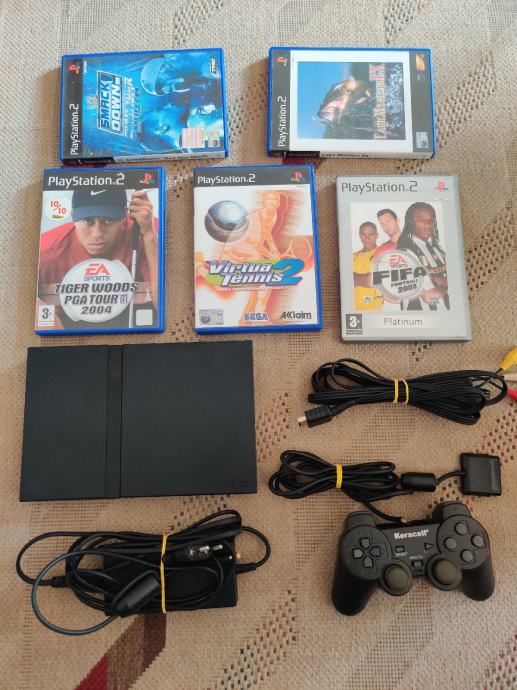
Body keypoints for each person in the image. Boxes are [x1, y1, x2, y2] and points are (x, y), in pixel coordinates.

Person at [38, 188, 159, 328]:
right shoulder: (45, 251)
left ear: (124, 217)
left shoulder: (148, 229)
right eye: (88, 221)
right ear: (73, 216)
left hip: (133, 318)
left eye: (108, 220)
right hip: (67, 322)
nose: (97, 234)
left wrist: (149, 237)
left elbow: (168, 308)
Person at [397, 202, 449, 310]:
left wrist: (444, 285)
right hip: (419, 317)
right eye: (421, 220)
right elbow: (429, 297)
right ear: (410, 222)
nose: (428, 224)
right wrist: (447, 284)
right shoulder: (405, 253)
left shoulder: (437, 250)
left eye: (431, 220)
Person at [352, 221, 383, 311]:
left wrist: (355, 278)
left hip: (373, 309)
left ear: (377, 235)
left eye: (371, 234)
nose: (367, 238)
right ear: (360, 235)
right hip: (354, 309)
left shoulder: (383, 254)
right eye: (363, 234)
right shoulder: (353, 256)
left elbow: (380, 280)